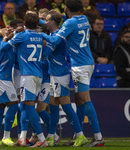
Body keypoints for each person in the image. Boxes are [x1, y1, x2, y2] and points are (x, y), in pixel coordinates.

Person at [41, 0, 104, 147]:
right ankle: (78, 135)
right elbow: (60, 20)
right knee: (80, 101)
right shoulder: (84, 19)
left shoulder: (69, 23)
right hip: (88, 62)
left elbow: (55, 39)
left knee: (85, 99)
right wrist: (37, 20)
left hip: (80, 66)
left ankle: (98, 137)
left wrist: (39, 35)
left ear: (66, 7)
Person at [0, 13, 48, 147]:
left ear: (25, 23)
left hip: (27, 75)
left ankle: (42, 139)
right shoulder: (39, 36)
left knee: (29, 106)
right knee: (24, 106)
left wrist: (9, 34)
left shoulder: (21, 36)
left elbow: (3, 48)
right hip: (38, 75)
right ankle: (22, 138)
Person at [0, 27, 19, 147]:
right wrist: (2, 32)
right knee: (13, 105)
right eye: (8, 29)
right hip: (2, 77)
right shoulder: (2, 39)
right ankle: (6, 137)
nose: (10, 31)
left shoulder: (12, 42)